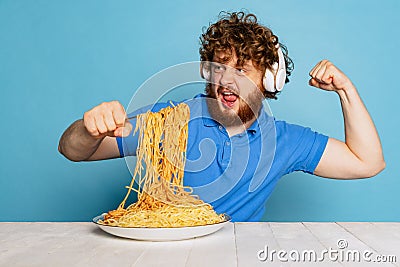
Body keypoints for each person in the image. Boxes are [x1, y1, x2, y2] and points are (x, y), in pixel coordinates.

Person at [58, 11, 385, 221]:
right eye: (219, 66)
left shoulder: (284, 141)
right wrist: (90, 129)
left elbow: (367, 162)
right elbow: (74, 151)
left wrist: (346, 90)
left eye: (242, 69)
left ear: (268, 80)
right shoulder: (172, 119)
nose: (227, 79)